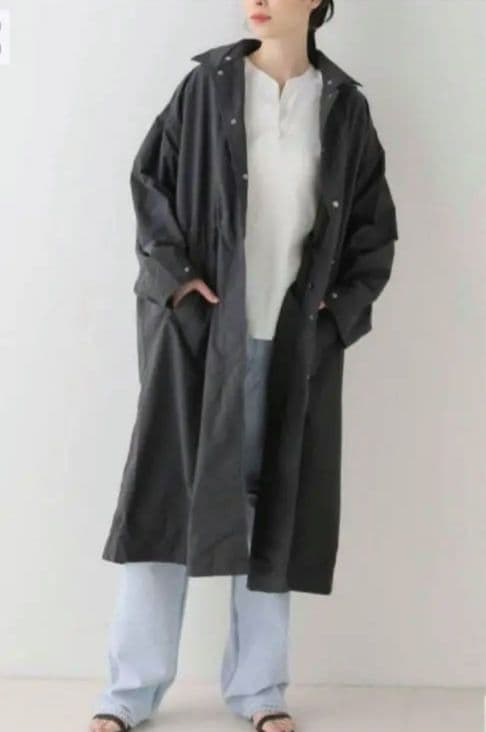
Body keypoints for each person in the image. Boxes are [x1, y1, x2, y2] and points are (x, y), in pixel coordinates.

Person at [89, 1, 398, 730]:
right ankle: (128, 695)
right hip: (202, 341)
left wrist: (334, 320)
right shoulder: (206, 89)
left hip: (290, 346)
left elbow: (372, 233)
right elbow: (150, 185)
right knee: (164, 500)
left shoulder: (345, 109)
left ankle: (260, 691)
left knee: (274, 514)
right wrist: (177, 284)